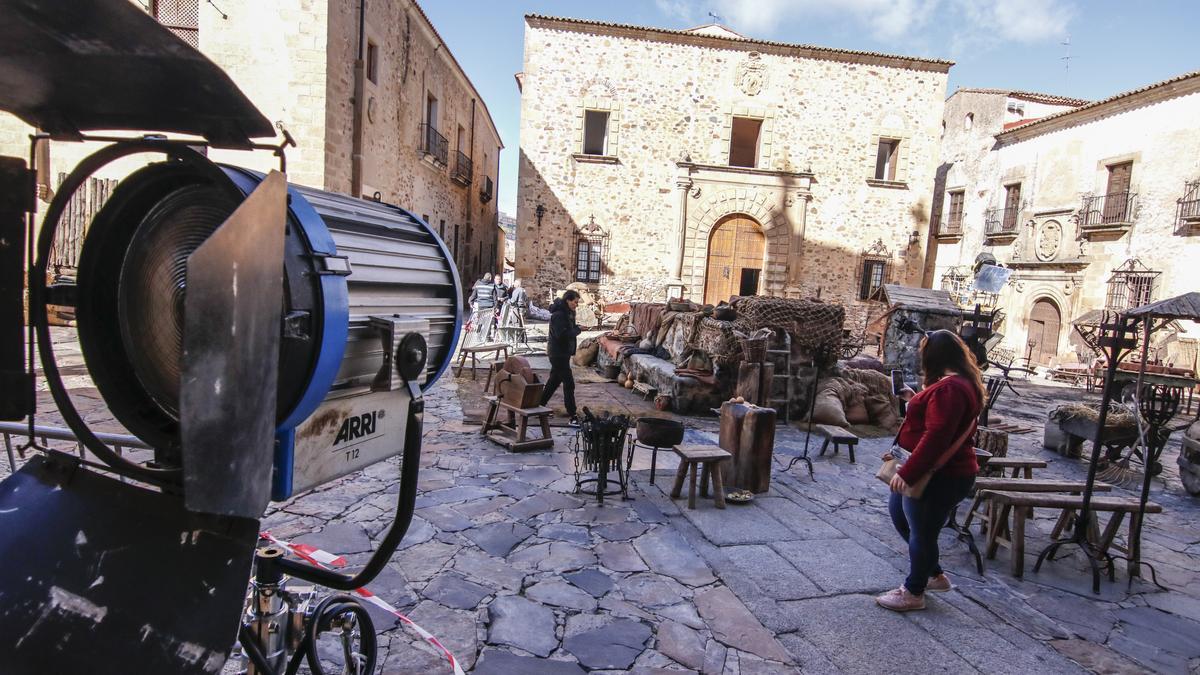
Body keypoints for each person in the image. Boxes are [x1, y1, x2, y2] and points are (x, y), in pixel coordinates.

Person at [876, 330, 986, 612]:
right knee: (902, 516)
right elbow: (938, 422)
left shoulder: (951, 389)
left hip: (942, 475)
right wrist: (915, 399)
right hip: (936, 470)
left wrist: (908, 472)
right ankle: (934, 575)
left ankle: (914, 592)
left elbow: (938, 436)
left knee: (922, 531)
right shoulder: (956, 385)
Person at [540, 289, 582, 426]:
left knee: (554, 381)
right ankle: (572, 415)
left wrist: (575, 328)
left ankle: (539, 404)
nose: (576, 305)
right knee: (569, 383)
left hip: (563, 353)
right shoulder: (559, 315)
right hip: (557, 354)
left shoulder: (569, 313)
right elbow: (561, 335)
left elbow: (569, 329)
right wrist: (577, 330)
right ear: (568, 300)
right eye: (575, 302)